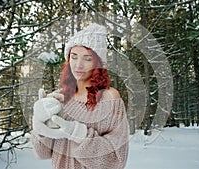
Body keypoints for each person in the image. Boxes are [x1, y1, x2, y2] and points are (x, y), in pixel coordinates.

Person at [31, 23, 129, 169]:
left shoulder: (110, 98)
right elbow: (42, 153)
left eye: (87, 59)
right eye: (74, 57)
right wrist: (40, 123)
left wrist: (78, 133)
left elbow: (116, 159)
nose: (78, 65)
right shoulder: (60, 98)